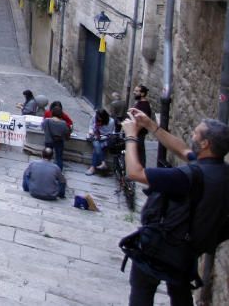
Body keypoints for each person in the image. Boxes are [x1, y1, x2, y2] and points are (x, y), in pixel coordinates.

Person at [121, 109, 229, 305]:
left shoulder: (187, 176)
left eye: (196, 133)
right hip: (187, 252)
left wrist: (131, 135)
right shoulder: (221, 173)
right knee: (180, 296)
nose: (192, 136)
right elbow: (182, 150)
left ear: (205, 144)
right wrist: (151, 126)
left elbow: (135, 172)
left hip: (158, 248)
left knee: (142, 293)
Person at [86, 108, 115, 175]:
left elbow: (109, 134)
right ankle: (103, 163)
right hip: (95, 135)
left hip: (105, 138)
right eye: (97, 118)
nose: (98, 120)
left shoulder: (111, 122)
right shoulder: (95, 117)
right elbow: (91, 125)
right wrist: (91, 131)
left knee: (97, 147)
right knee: (96, 144)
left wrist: (100, 137)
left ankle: (92, 168)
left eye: (100, 119)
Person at [43, 105, 71, 171]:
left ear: (52, 113)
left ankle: (45, 169)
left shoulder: (47, 121)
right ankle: (58, 172)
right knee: (59, 157)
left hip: (48, 141)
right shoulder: (63, 123)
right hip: (59, 141)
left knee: (46, 156)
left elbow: (43, 128)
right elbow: (66, 132)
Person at [132, 84, 153, 167]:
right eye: (135, 90)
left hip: (139, 133)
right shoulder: (140, 103)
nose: (134, 92)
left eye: (137, 91)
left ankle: (141, 169)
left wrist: (134, 132)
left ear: (143, 94)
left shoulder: (144, 105)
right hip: (137, 132)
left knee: (139, 152)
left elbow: (142, 122)